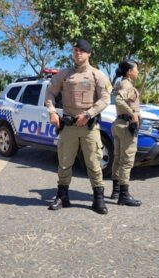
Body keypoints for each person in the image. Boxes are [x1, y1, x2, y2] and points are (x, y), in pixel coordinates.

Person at [45, 39, 112, 214]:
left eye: (81, 51)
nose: (78, 53)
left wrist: (88, 114)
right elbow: (50, 92)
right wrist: (52, 111)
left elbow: (105, 99)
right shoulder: (64, 74)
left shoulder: (98, 75)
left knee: (93, 163)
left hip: (89, 127)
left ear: (89, 54)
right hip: (68, 126)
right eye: (75, 50)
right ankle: (62, 196)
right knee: (64, 163)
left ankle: (98, 199)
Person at [110, 59, 142, 207]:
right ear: (129, 71)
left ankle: (116, 191)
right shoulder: (127, 84)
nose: (138, 72)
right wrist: (132, 114)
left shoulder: (119, 83)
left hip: (118, 124)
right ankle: (123, 195)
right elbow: (118, 100)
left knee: (117, 158)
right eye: (136, 69)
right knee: (127, 160)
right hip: (126, 125)